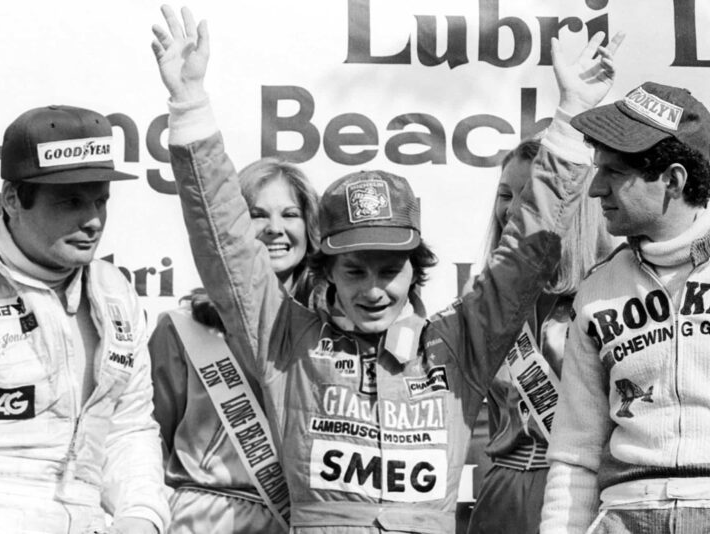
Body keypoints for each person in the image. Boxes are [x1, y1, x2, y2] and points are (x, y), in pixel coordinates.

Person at [151, 5, 622, 532]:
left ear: (415, 271)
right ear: (327, 272)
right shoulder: (288, 340)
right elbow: (225, 245)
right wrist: (189, 105)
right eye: (355, 271)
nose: (374, 289)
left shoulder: (459, 341)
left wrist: (571, 119)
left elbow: (526, 250)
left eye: (389, 270)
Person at [540, 81, 710, 533]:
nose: (596, 189)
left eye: (614, 173)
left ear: (673, 180)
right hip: (624, 517)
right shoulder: (597, 290)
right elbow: (574, 454)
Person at [0, 106, 169, 533]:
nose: (92, 221)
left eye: (100, 201)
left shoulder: (115, 292)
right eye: (70, 202)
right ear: (13, 199)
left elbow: (128, 428)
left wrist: (141, 517)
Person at [149, 156, 320, 533]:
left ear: (310, 228)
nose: (275, 229)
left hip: (294, 522)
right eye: (256, 214)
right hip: (198, 521)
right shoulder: (182, 330)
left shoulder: (329, 333)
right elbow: (147, 445)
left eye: (290, 214)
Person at [465, 138, 613, 534]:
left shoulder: (607, 295)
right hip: (501, 494)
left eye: (530, 197)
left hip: (580, 495)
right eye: (505, 194)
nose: (512, 209)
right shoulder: (488, 301)